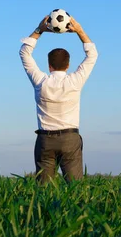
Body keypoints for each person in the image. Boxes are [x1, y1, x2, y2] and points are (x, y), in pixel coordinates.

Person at [19, 15, 98, 182]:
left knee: (44, 191)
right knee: (74, 188)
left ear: (49, 65)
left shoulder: (41, 82)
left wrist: (39, 30)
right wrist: (79, 31)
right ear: (68, 65)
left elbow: (24, 53)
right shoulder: (75, 81)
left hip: (45, 140)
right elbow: (92, 55)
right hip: (70, 139)